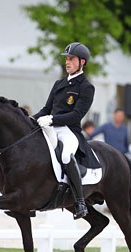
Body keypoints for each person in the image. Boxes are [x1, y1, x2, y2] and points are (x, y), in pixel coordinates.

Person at [33, 42, 95, 219]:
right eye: (66, 59)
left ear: (82, 62)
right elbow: (46, 109)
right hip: (50, 127)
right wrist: (31, 120)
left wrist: (53, 119)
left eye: (71, 59)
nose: (67, 62)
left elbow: (76, 115)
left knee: (66, 156)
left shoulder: (86, 87)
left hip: (69, 130)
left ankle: (80, 202)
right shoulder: (59, 83)